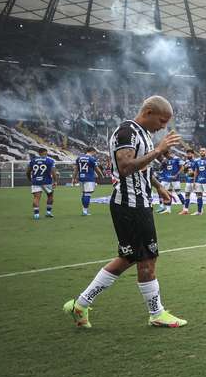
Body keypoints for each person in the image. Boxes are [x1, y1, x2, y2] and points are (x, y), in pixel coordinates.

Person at [63, 95, 186, 328]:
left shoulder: (144, 135)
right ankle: (156, 313)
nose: (163, 127)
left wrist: (158, 187)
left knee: (129, 257)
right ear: (148, 112)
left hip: (138, 203)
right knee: (148, 258)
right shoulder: (126, 133)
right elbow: (126, 167)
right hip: (130, 205)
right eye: (161, 121)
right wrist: (159, 150)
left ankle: (81, 304)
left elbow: (142, 169)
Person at [27, 148, 59, 220]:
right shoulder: (50, 161)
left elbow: (28, 172)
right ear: (45, 153)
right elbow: (54, 172)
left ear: (39, 153)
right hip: (47, 181)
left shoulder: (33, 161)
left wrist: (30, 179)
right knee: (50, 196)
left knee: (36, 198)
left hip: (36, 182)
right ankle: (48, 212)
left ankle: (36, 215)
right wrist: (55, 181)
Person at [72, 147, 103, 216]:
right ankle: (85, 211)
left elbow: (76, 169)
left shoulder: (79, 158)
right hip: (89, 178)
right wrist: (101, 176)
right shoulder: (92, 159)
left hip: (81, 178)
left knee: (84, 193)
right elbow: (97, 169)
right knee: (87, 194)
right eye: (95, 152)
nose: (95, 153)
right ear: (92, 151)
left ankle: (84, 210)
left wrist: (73, 178)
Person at [191, 147, 206, 215]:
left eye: (203, 151)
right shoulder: (197, 161)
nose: (202, 152)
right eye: (200, 151)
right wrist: (194, 181)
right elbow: (196, 171)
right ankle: (199, 211)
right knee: (199, 195)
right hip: (199, 181)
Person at [179, 149, 195, 214]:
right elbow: (184, 171)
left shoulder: (196, 161)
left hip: (195, 181)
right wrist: (185, 169)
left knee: (198, 195)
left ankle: (200, 210)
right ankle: (185, 210)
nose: (188, 155)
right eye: (187, 154)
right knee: (187, 194)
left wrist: (193, 175)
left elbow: (197, 171)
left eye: (190, 154)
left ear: (193, 154)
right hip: (188, 181)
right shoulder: (186, 162)